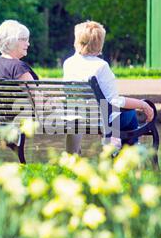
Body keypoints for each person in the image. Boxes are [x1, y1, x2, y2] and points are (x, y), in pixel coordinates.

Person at [63, 20, 154, 154]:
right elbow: (114, 102)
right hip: (101, 119)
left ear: (77, 41)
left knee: (115, 113)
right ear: (99, 44)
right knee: (129, 114)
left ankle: (109, 149)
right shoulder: (101, 66)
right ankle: (128, 155)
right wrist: (142, 104)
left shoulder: (68, 63)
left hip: (76, 116)